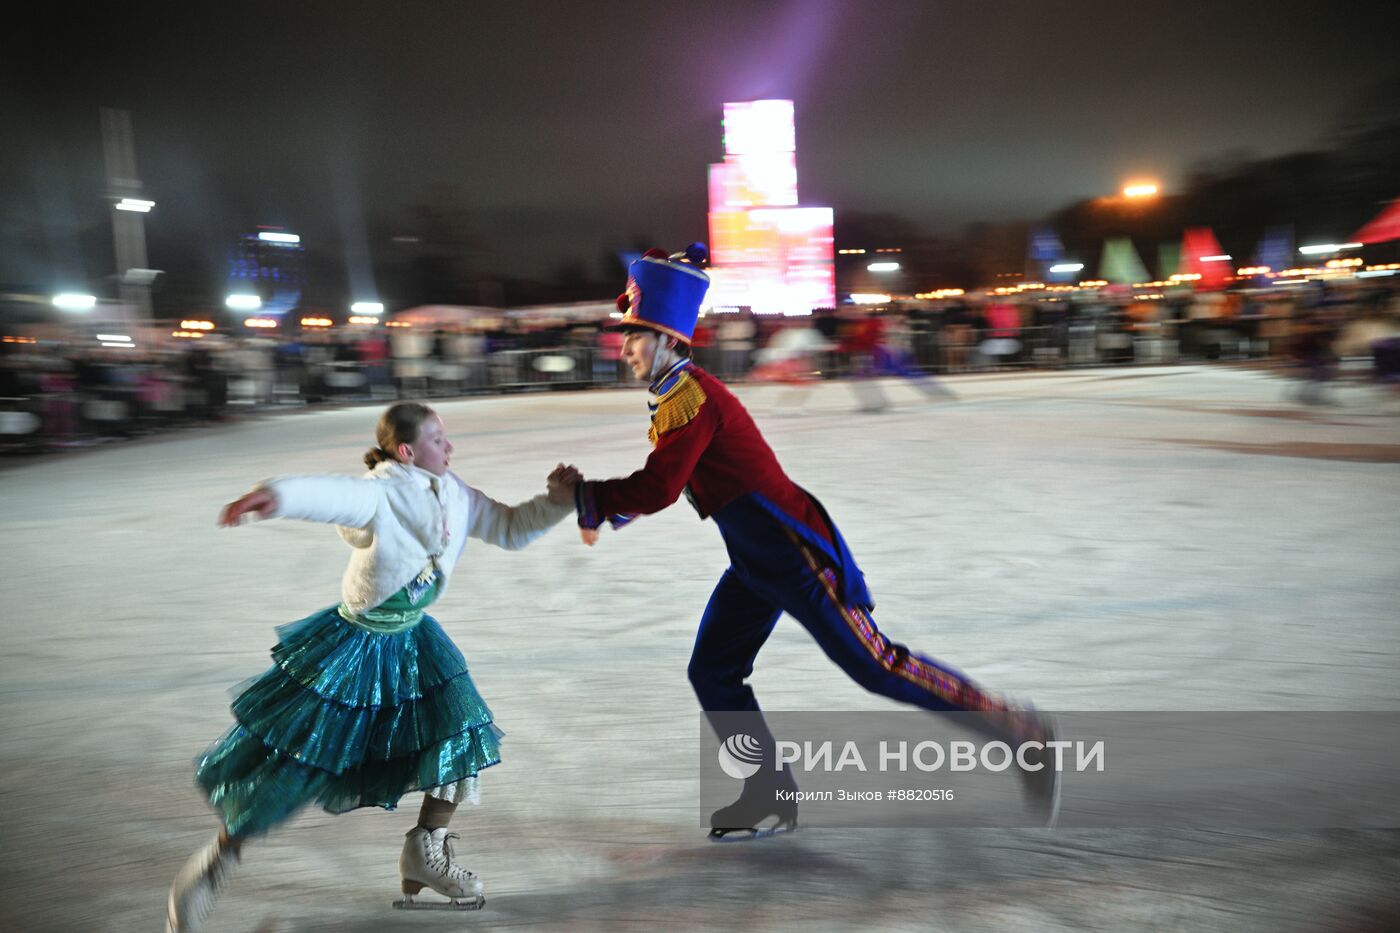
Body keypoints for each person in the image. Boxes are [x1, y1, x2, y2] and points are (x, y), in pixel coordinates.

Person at [572, 245, 1058, 839]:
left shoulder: (691, 397)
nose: (622, 348)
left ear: (670, 338)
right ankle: (769, 795)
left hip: (794, 553)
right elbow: (680, 480)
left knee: (877, 667)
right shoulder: (679, 392)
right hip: (755, 561)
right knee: (714, 672)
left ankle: (1016, 729)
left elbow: (662, 486)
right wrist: (607, 509)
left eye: (635, 336)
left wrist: (594, 498)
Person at [164, 402, 579, 931]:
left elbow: (511, 526)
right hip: (355, 646)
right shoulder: (381, 491)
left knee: (460, 733)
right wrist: (278, 494)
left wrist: (559, 500)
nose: (449, 447)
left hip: (414, 642)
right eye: (436, 439)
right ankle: (211, 867)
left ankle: (424, 850)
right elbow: (333, 495)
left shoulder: (456, 493)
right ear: (407, 451)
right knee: (298, 764)